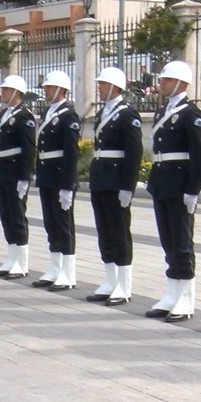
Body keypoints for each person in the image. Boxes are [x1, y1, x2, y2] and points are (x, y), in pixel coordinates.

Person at [144, 61, 201, 322]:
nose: (162, 84)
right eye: (162, 80)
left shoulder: (190, 113)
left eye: (167, 80)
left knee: (182, 242)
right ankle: (172, 292)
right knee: (168, 240)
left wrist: (193, 189)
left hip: (180, 185)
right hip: (163, 183)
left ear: (182, 83)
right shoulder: (163, 112)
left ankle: (185, 297)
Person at [85, 67, 142, 306]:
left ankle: (123, 284)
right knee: (104, 231)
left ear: (115, 87)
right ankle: (110, 279)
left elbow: (134, 152)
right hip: (101, 178)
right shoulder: (103, 113)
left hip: (117, 180)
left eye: (103, 84)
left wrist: (127, 186)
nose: (99, 87)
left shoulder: (127, 114)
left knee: (119, 232)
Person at [31, 70, 80, 291]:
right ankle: (55, 266)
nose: (46, 91)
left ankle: (68, 272)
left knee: (63, 225)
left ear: (61, 90)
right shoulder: (49, 112)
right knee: (51, 224)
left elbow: (71, 153)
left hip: (60, 176)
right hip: (47, 174)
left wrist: (67, 185)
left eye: (49, 88)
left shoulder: (69, 115)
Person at [0, 75, 35, 279]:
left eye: (6, 90)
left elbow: (28, 149)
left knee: (17, 216)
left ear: (17, 93)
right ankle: (12, 255)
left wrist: (25, 178)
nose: (3, 93)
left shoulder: (24, 116)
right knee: (6, 215)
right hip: (2, 170)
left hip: (15, 171)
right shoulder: (5, 114)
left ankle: (22, 262)